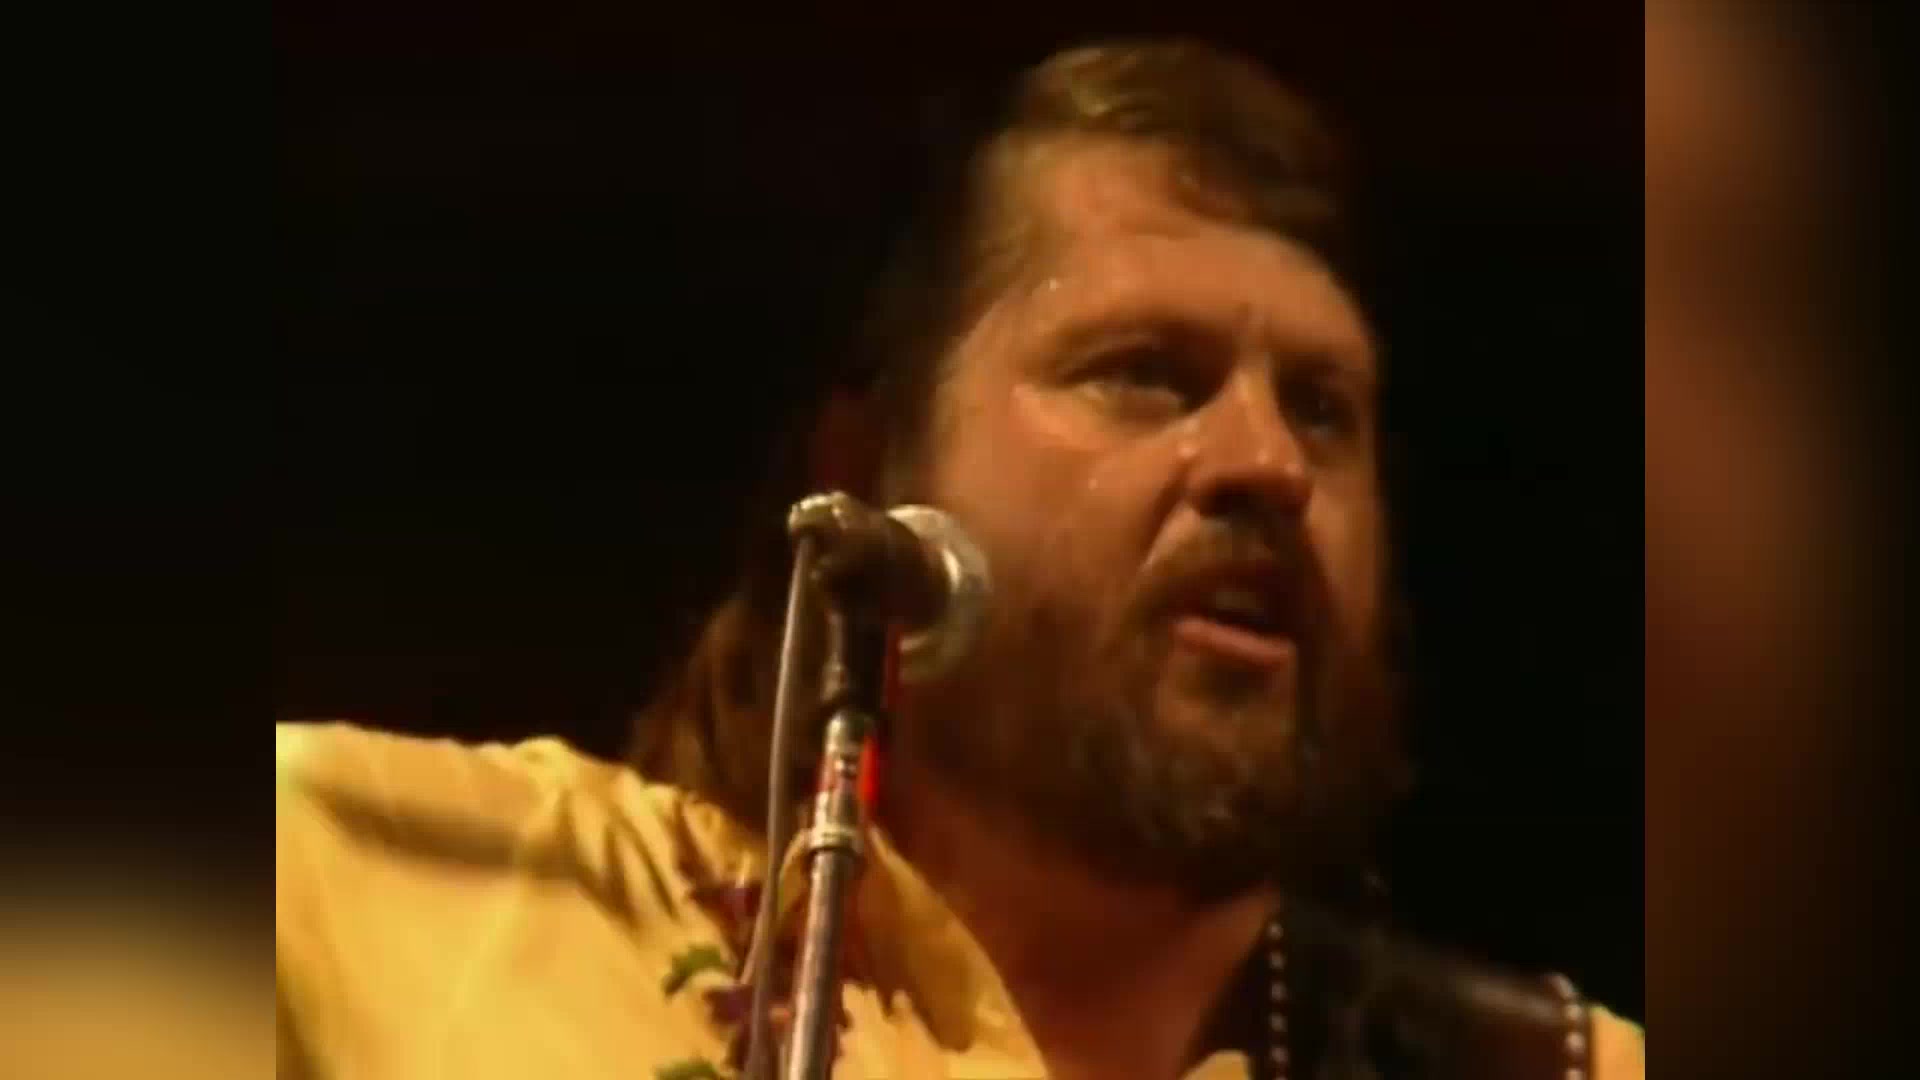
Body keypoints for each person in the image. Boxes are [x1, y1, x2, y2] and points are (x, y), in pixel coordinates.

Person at [277, 39, 1643, 1079]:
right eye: (1147, 372)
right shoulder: (403, 902)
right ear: (873, 475)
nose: (1269, 462)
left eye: (1324, 407)